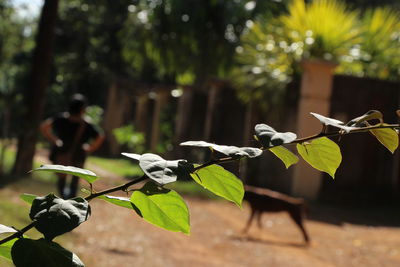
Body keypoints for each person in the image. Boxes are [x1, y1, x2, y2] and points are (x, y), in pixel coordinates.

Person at [40, 94, 104, 199]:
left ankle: (63, 199)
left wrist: (55, 140)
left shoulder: (61, 119)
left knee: (61, 180)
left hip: (62, 153)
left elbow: (44, 127)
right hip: (79, 155)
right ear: (82, 108)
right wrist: (90, 148)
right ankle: (70, 200)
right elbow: (100, 136)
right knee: (75, 181)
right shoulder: (86, 123)